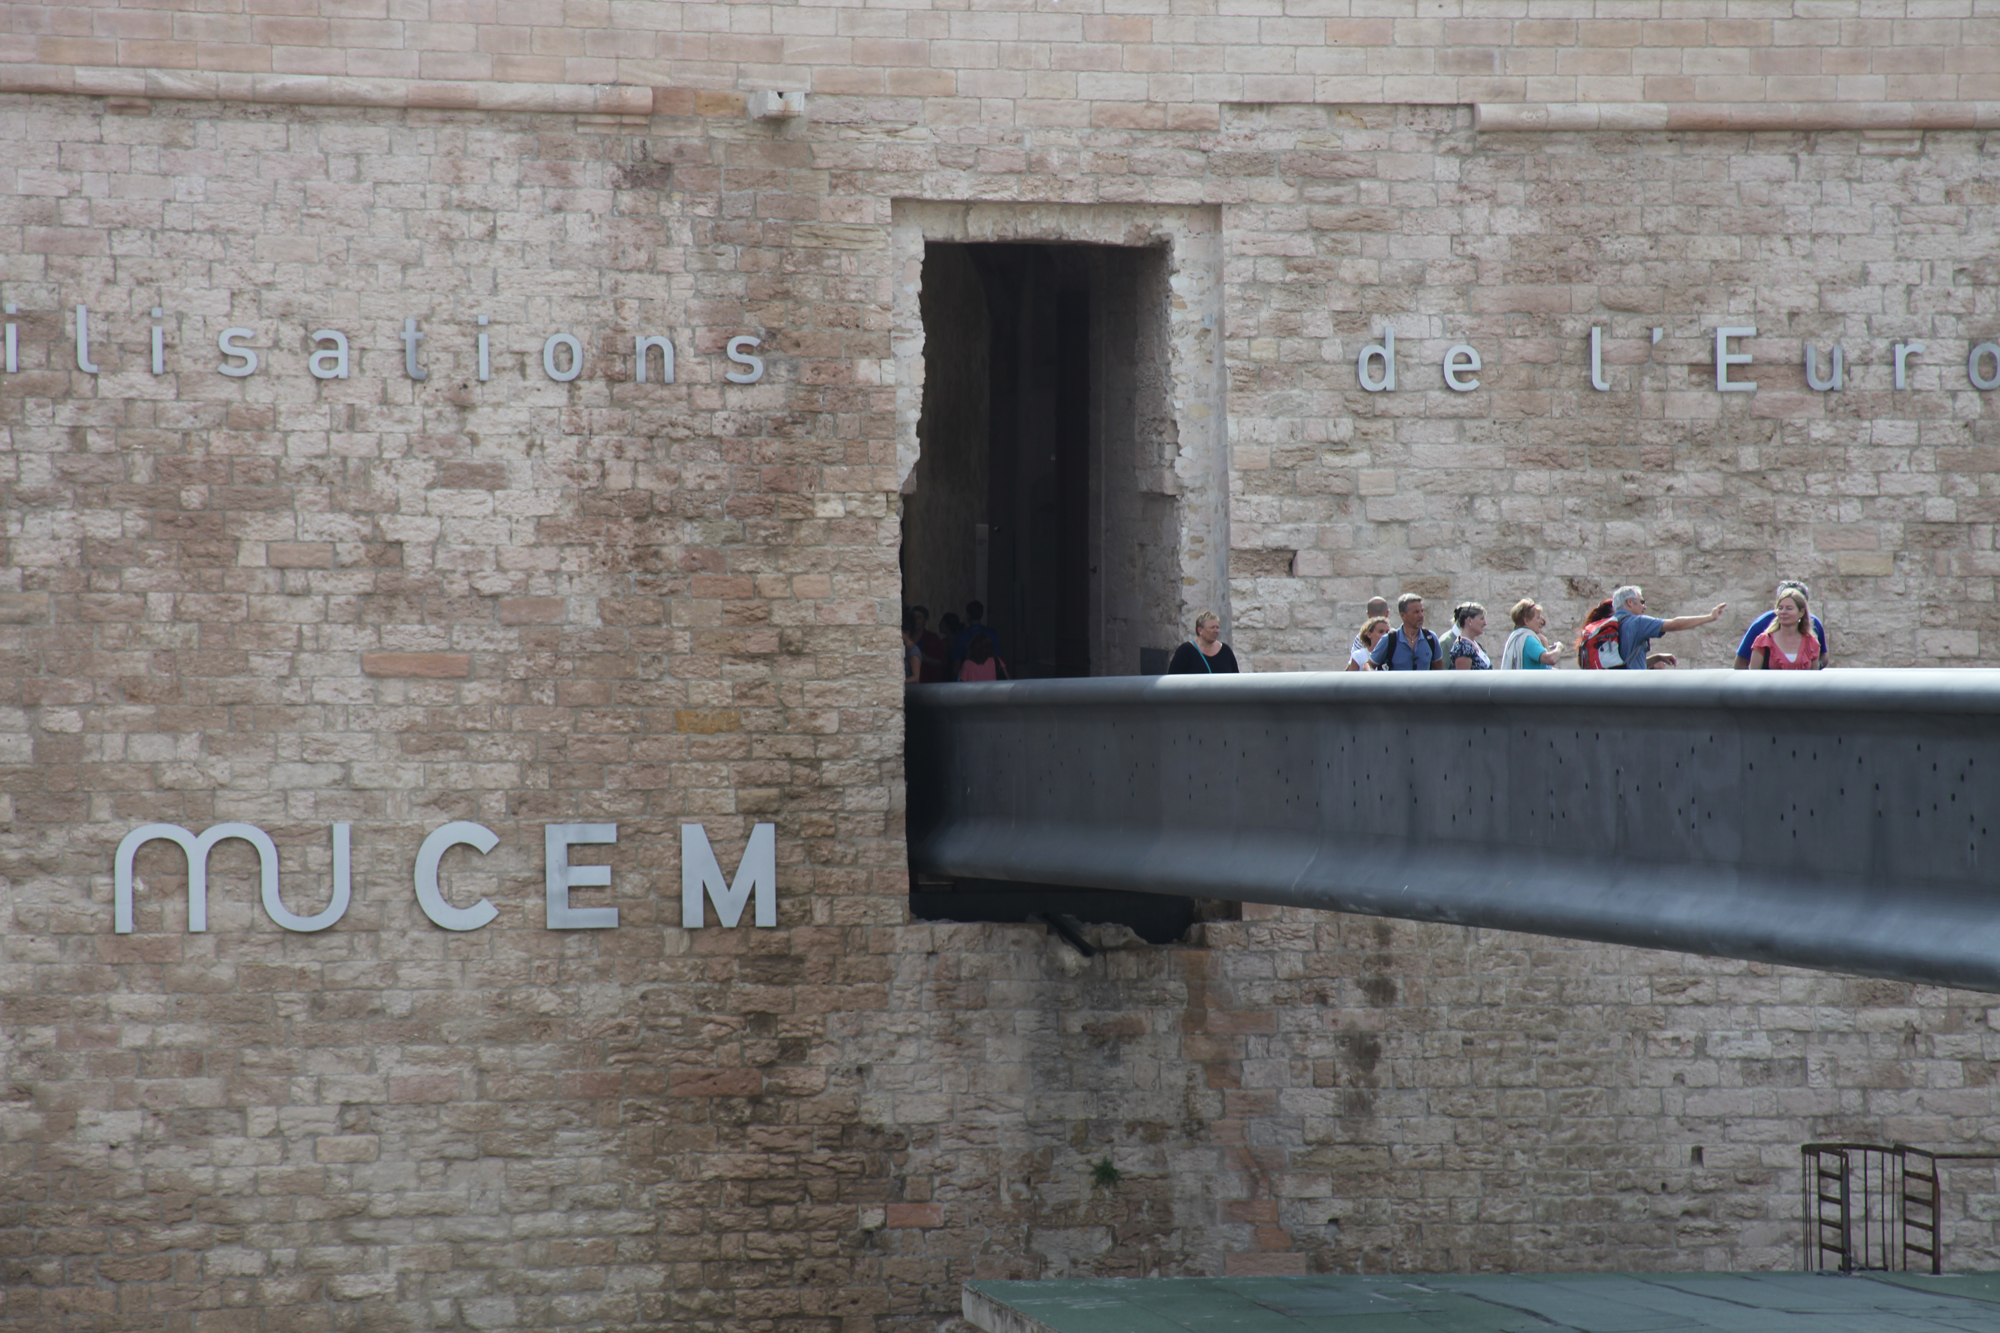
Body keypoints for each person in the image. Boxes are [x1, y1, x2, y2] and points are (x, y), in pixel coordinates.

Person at [1609, 584, 1728, 670]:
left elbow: (1626, 665)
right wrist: (1709, 617)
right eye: (1642, 602)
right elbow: (1673, 624)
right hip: (1629, 691)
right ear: (1630, 602)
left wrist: (1657, 658)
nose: (1644, 607)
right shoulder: (1636, 622)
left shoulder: (1608, 625)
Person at [1734, 580, 1828, 669]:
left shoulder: (1812, 641)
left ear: (1802, 612)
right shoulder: (1762, 635)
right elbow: (1743, 664)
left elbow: (1819, 666)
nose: (1783, 612)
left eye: (1789, 608)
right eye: (1780, 608)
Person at [1370, 592, 1445, 670]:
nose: (1421, 616)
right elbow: (1368, 664)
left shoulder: (1431, 638)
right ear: (1403, 615)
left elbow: (1438, 669)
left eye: (1422, 611)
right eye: (1416, 612)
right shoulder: (1390, 640)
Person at [1499, 599, 1564, 670]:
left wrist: (1544, 641)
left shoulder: (1516, 636)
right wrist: (1559, 647)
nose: (1541, 622)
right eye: (1538, 618)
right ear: (1526, 620)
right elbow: (1550, 659)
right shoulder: (1528, 639)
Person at [1169, 610, 1239, 674]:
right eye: (1212, 627)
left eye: (1217, 627)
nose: (1216, 631)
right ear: (1200, 630)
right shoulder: (1185, 650)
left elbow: (1235, 678)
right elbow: (1173, 679)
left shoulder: (1225, 650)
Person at [952, 601, 1001, 672]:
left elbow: (956, 665)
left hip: (969, 677)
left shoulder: (961, 636)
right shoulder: (992, 634)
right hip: (989, 677)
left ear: (968, 615)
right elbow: (997, 659)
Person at [910, 605, 951, 682]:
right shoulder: (906, 637)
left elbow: (942, 662)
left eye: (919, 618)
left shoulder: (932, 638)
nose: (915, 620)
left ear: (925, 620)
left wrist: (926, 658)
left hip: (927, 681)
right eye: (913, 617)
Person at [1449, 602, 1492, 670]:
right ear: (1469, 620)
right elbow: (1464, 679)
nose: (1485, 623)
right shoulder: (1462, 649)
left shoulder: (1476, 644)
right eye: (1481, 619)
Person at [1349, 597, 1390, 662]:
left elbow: (1353, 662)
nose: (1384, 635)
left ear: (1368, 615)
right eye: (1380, 632)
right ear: (1387, 613)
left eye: (1386, 632)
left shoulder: (1360, 637)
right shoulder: (1396, 635)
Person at [902, 609, 924, 684]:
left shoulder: (913, 650)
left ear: (907, 633)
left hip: (911, 691)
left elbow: (916, 677)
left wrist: (898, 684)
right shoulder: (903, 649)